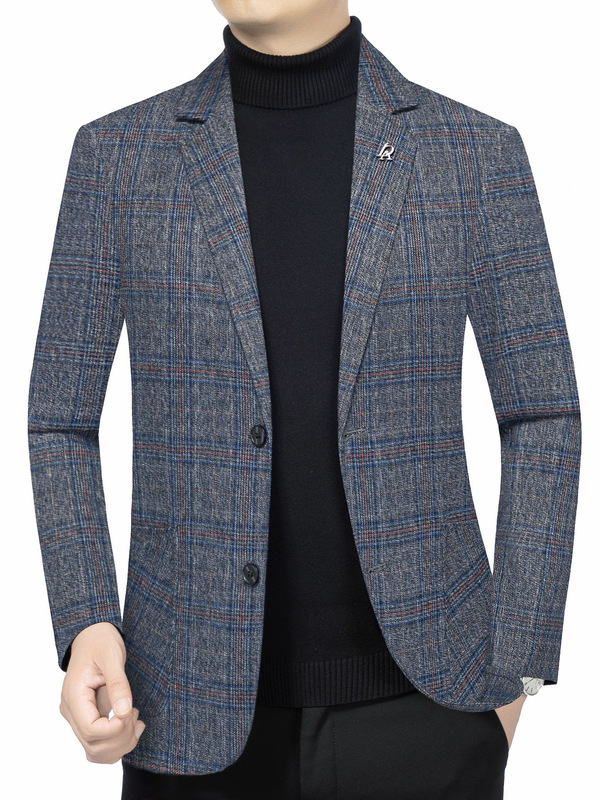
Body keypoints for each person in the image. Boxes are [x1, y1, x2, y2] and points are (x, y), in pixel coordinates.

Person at [27, 1, 582, 798]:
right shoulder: (119, 157)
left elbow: (542, 413)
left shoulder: (472, 153)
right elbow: (61, 419)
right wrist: (86, 620)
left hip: (430, 712)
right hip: (185, 714)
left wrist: (518, 671)